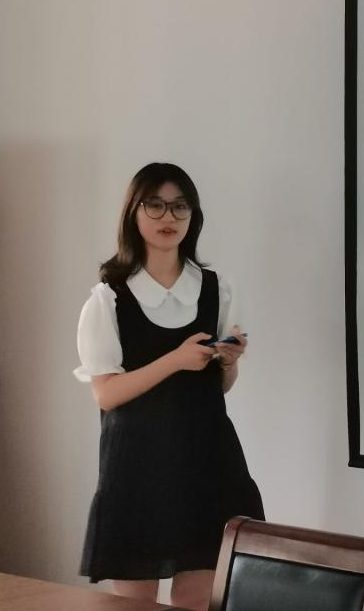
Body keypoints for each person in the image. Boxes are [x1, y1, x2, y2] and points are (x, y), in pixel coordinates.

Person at [74, 162, 264, 611]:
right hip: (136, 467)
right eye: (155, 205)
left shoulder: (216, 288)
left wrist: (228, 363)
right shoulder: (109, 297)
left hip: (207, 460)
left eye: (180, 207)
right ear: (134, 212)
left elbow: (217, 389)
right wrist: (175, 360)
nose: (168, 217)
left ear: (193, 216)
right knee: (134, 602)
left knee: (197, 598)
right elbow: (106, 394)